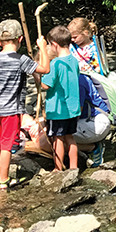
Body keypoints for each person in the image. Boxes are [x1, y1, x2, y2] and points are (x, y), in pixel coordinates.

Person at [0, 19, 50, 189]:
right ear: (20, 39)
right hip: (10, 109)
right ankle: (4, 179)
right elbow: (44, 69)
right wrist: (42, 48)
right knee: (7, 144)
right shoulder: (20, 59)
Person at [41, 25, 81, 170]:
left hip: (58, 110)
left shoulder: (56, 63)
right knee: (70, 137)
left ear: (54, 45)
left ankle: (58, 168)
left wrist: (37, 75)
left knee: (57, 138)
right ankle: (73, 167)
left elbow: (45, 85)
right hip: (72, 109)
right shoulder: (74, 60)